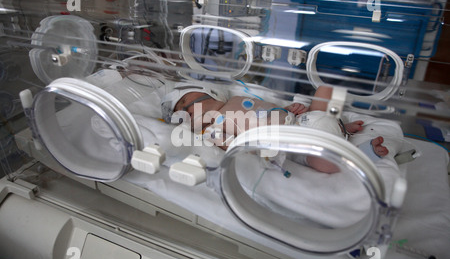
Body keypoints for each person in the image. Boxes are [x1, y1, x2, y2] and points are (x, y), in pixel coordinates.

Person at [161, 85, 389, 173]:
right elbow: (235, 147)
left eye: (183, 102)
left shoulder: (238, 97)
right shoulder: (211, 130)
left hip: (302, 121)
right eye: (180, 113)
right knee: (327, 164)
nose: (184, 109)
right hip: (294, 146)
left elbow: (269, 109)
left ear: (207, 91)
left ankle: (340, 127)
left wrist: (290, 108)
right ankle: (365, 155)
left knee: (326, 90)